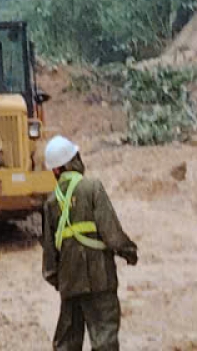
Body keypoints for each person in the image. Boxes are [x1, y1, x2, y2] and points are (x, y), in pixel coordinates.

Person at [41, 135, 137, 351]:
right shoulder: (92, 187)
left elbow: (49, 255)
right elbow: (111, 232)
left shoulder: (51, 202)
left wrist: (59, 279)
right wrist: (129, 251)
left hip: (70, 283)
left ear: (55, 170)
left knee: (67, 342)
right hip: (99, 279)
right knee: (104, 338)